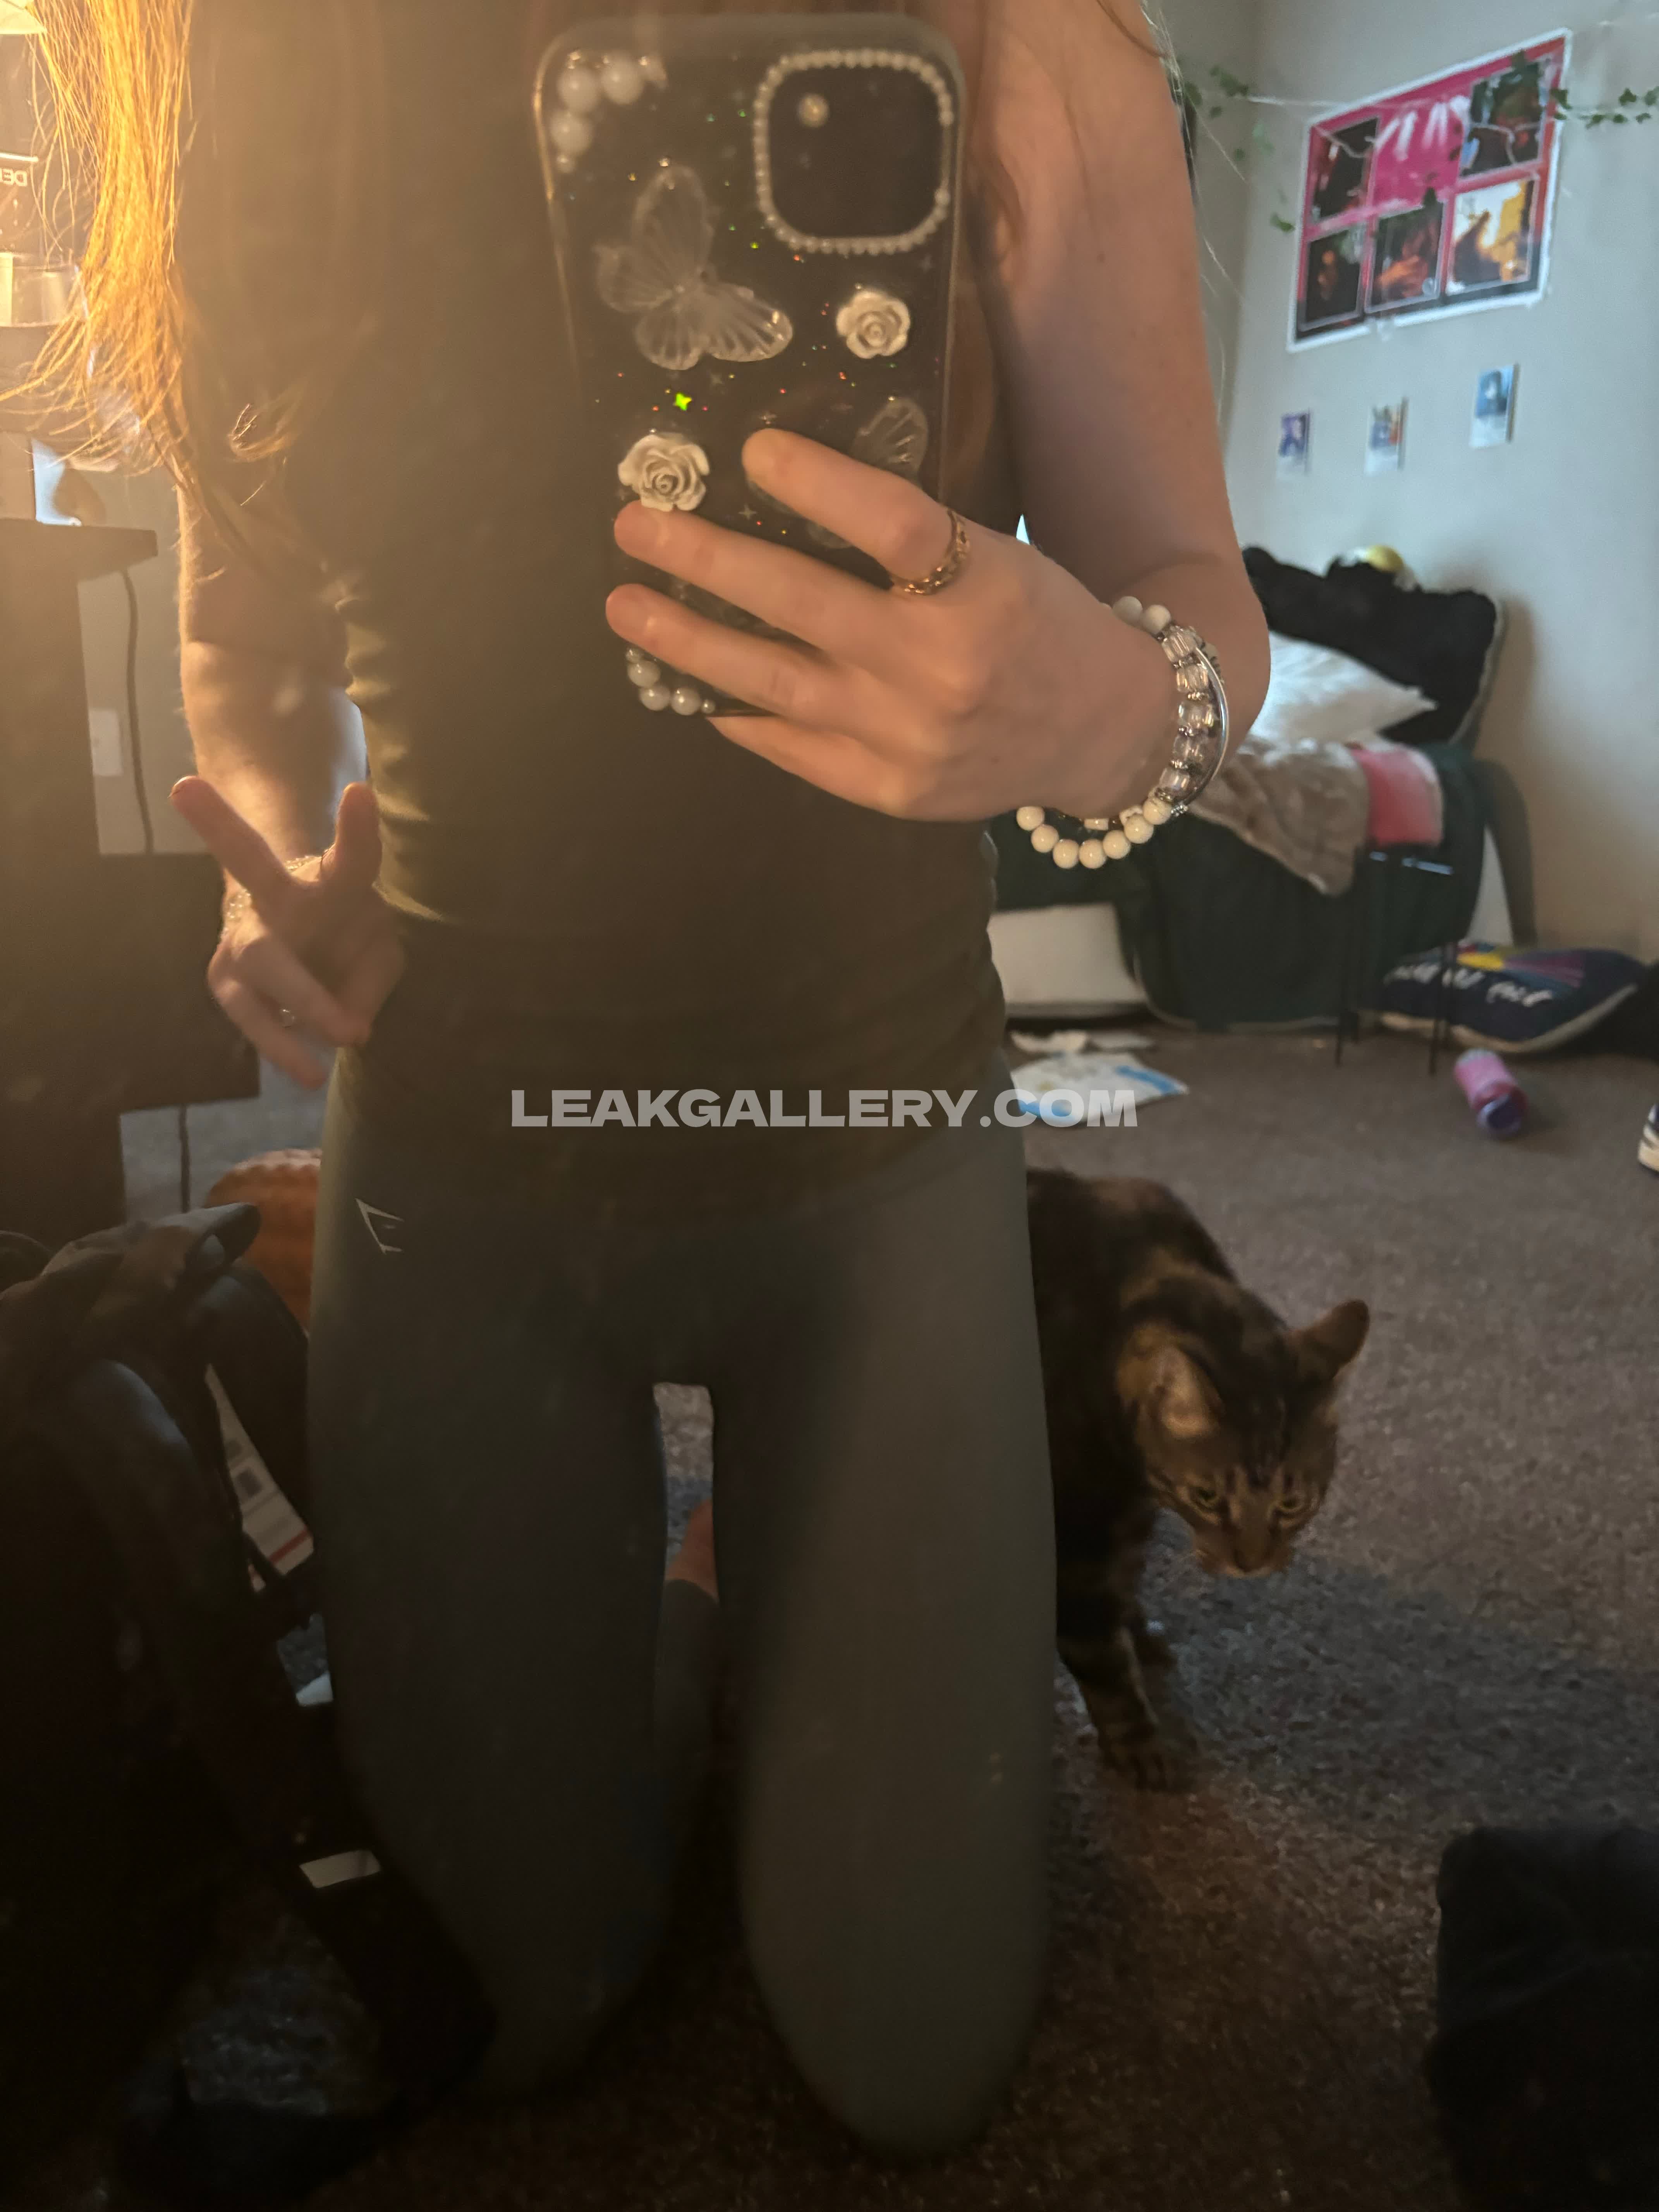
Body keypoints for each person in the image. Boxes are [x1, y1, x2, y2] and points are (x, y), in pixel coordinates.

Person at [40, 0, 1268, 2158]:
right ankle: (705, 1596)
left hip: (879, 1153)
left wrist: (1105, 706)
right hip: (460, 1159)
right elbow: (244, 638)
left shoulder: (1016, 35)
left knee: (912, 2060)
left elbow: (1197, 601)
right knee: (512, 2011)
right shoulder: (223, 51)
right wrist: (273, 859)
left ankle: (710, 1581)